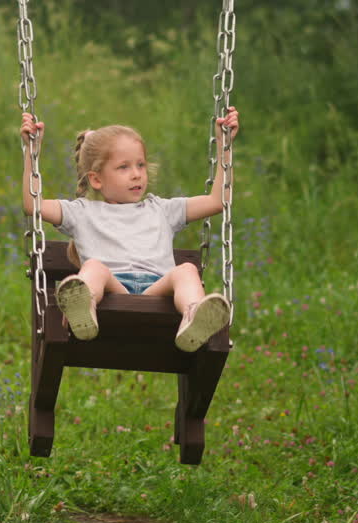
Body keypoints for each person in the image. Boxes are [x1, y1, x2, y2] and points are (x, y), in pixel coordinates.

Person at [19, 107, 239, 352]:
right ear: (96, 179)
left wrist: (224, 147)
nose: (136, 175)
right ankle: (83, 309)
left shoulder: (162, 209)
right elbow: (33, 204)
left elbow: (216, 202)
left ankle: (194, 317)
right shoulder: (81, 212)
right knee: (93, 267)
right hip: (113, 290)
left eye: (141, 165)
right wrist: (31, 154)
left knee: (186, 270)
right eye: (123, 167)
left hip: (158, 291)